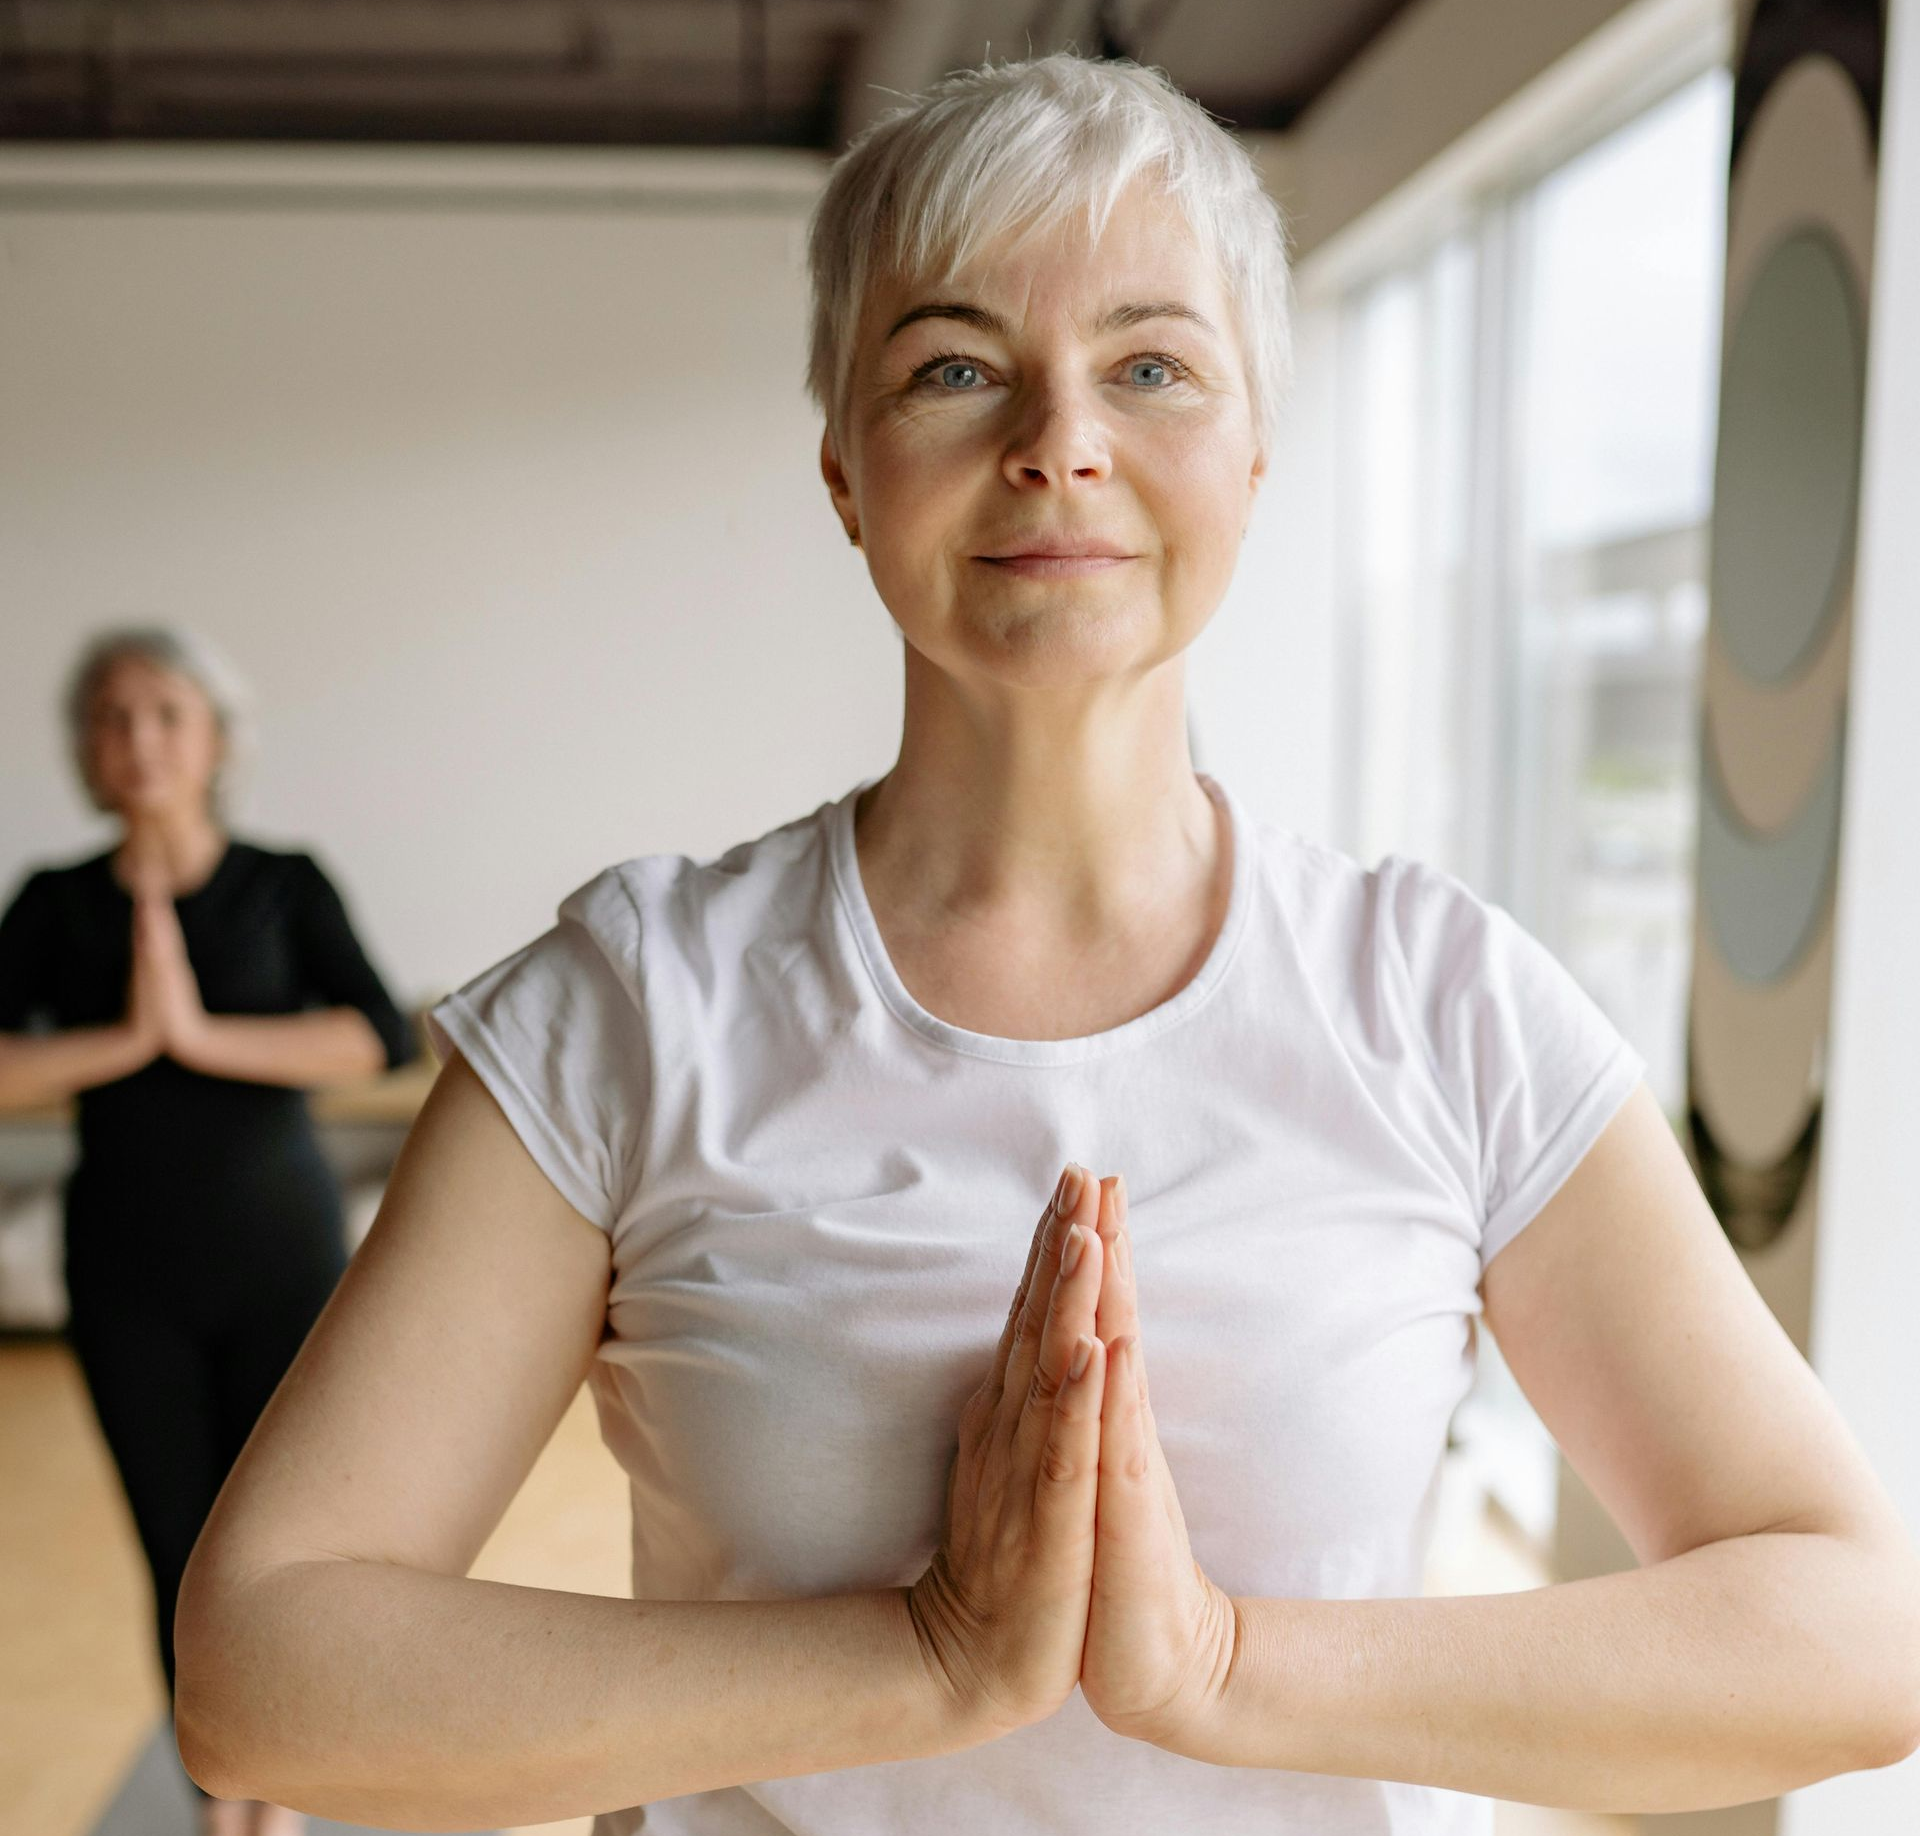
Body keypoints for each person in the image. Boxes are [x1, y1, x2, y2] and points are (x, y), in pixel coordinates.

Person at [170, 49, 1920, 1836]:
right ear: (847, 470)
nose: (1058, 441)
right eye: (952, 367)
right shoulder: (636, 1007)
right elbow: (264, 1670)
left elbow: (1856, 1634)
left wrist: (1223, 1665)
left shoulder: (1443, 1005)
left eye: (1150, 366)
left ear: (1253, 454)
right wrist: (923, 1656)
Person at [0, 626, 420, 1836]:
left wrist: (196, 1034)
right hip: (127, 1267)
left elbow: (378, 1037)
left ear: (216, 741)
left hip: (278, 1255)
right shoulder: (53, 900)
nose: (139, 740)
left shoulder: (283, 880)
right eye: (113, 718)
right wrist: (124, 1043)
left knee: (278, 1552)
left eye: (165, 714)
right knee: (174, 1549)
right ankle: (216, 1799)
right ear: (88, 748)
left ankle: (276, 1793)